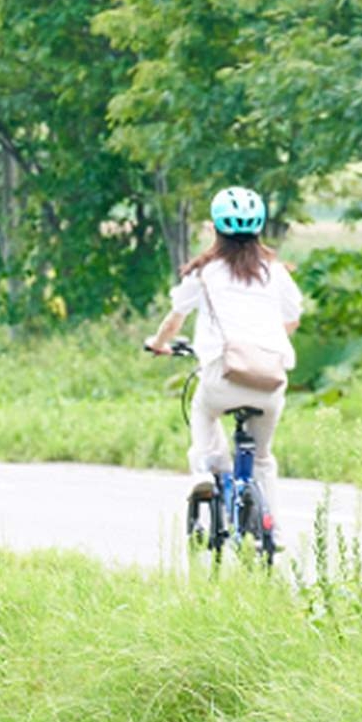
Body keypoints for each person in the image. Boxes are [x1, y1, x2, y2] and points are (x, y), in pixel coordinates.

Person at [144, 186, 305, 527]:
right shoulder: (275, 271)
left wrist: (159, 343)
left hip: (223, 376)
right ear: (259, 229)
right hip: (270, 380)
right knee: (262, 459)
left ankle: (205, 468)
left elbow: (175, 318)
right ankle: (269, 530)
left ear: (215, 229)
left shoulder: (204, 272)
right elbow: (292, 318)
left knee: (203, 409)